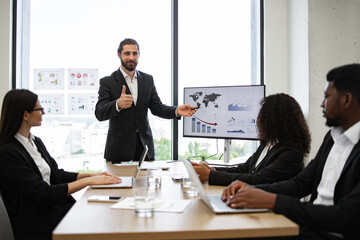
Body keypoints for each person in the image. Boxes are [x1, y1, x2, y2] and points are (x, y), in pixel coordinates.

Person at [222, 63, 360, 239]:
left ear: (346, 100)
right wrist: (253, 189)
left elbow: (346, 217)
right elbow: (299, 184)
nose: (321, 103)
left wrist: (273, 201)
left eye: (327, 97)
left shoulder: (292, 150)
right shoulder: (332, 138)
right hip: (311, 227)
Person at [0, 89, 122, 240]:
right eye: (39, 109)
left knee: (106, 213)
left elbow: (57, 174)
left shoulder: (35, 141)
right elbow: (43, 194)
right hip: (37, 222)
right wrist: (88, 181)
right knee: (101, 219)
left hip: (52, 211)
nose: (43, 113)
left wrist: (92, 175)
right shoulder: (8, 153)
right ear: (25, 115)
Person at [95, 38, 197, 162]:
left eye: (135, 53)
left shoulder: (148, 80)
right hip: (119, 151)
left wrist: (176, 110)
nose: (131, 57)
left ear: (139, 54)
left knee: (146, 182)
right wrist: (118, 104)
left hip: (145, 149)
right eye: (127, 53)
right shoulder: (108, 82)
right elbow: (99, 113)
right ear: (119, 55)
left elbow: (157, 108)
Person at [192, 93, 311, 186]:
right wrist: (211, 169)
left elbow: (259, 179)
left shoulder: (292, 151)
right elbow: (244, 169)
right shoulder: (269, 143)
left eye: (263, 115)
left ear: (275, 120)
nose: (259, 119)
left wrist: (211, 176)